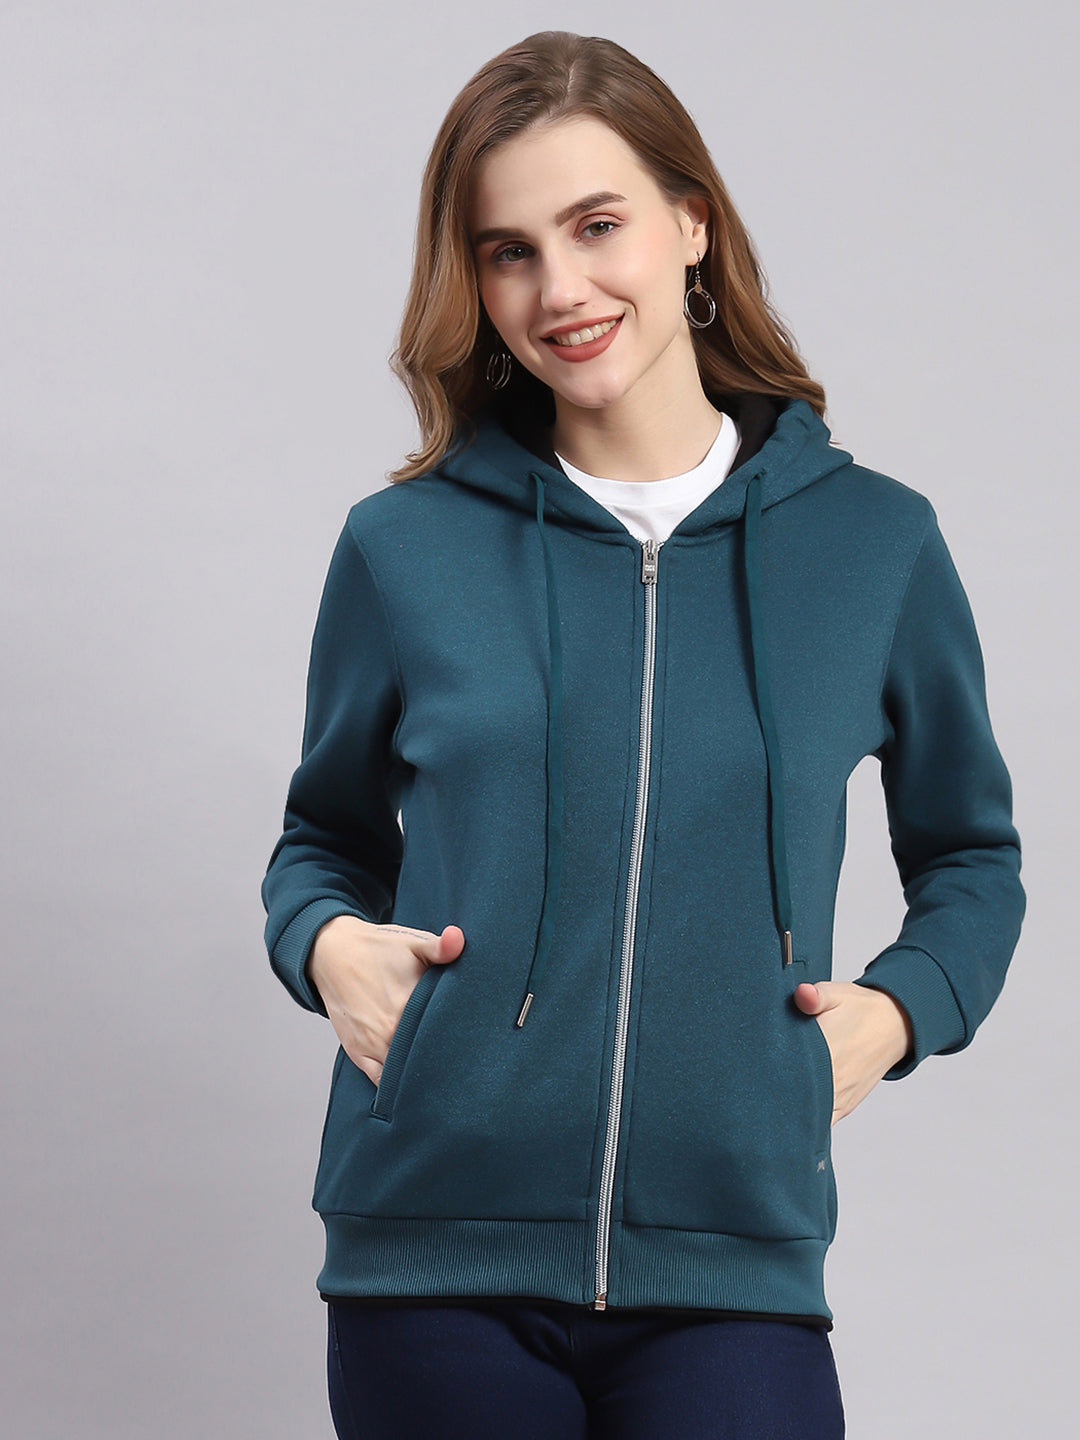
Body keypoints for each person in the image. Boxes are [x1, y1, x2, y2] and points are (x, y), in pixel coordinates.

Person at [261, 30, 1025, 1439]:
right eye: (508, 252)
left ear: (692, 225)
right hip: (432, 1258)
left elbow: (973, 855)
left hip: (735, 1258)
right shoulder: (404, 546)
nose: (560, 289)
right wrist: (325, 945)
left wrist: (903, 1010)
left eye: (596, 225)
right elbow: (321, 840)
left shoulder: (873, 545)